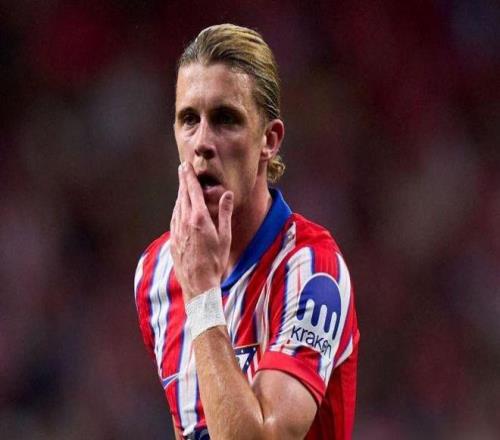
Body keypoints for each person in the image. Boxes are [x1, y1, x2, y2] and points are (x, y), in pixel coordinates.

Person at [134, 24, 359, 440]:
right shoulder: (155, 273)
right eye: (189, 119)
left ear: (269, 140)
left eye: (226, 119)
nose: (202, 142)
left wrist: (202, 295)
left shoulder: (312, 271)